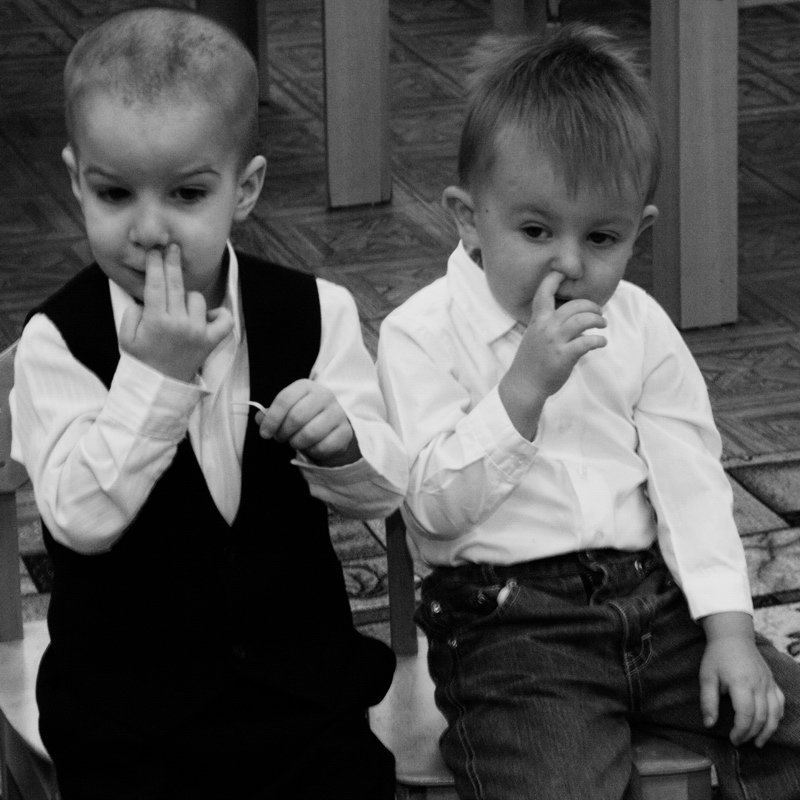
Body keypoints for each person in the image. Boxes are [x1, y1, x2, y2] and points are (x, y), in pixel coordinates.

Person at [377, 23, 800, 800]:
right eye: (535, 231)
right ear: (469, 218)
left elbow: (690, 483)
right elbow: (432, 511)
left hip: (655, 604)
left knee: (778, 715)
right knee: (554, 782)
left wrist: (730, 631)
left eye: (601, 237)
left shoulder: (640, 326)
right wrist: (523, 390)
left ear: (640, 233)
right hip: (510, 628)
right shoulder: (420, 335)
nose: (569, 263)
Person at [9, 7, 408, 799]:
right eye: (114, 193)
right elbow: (79, 520)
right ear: (76, 181)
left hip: (302, 704)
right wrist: (155, 378)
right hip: (128, 723)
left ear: (245, 188)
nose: (149, 229)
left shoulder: (314, 311)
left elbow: (387, 492)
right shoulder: (56, 342)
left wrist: (343, 447)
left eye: (187, 193)